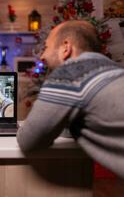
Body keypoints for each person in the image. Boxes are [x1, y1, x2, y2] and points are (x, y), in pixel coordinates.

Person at [17, 20, 124, 179]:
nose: (42, 55)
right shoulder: (115, 70)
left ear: (65, 48)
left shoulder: (70, 73)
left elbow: (29, 140)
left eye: (46, 47)